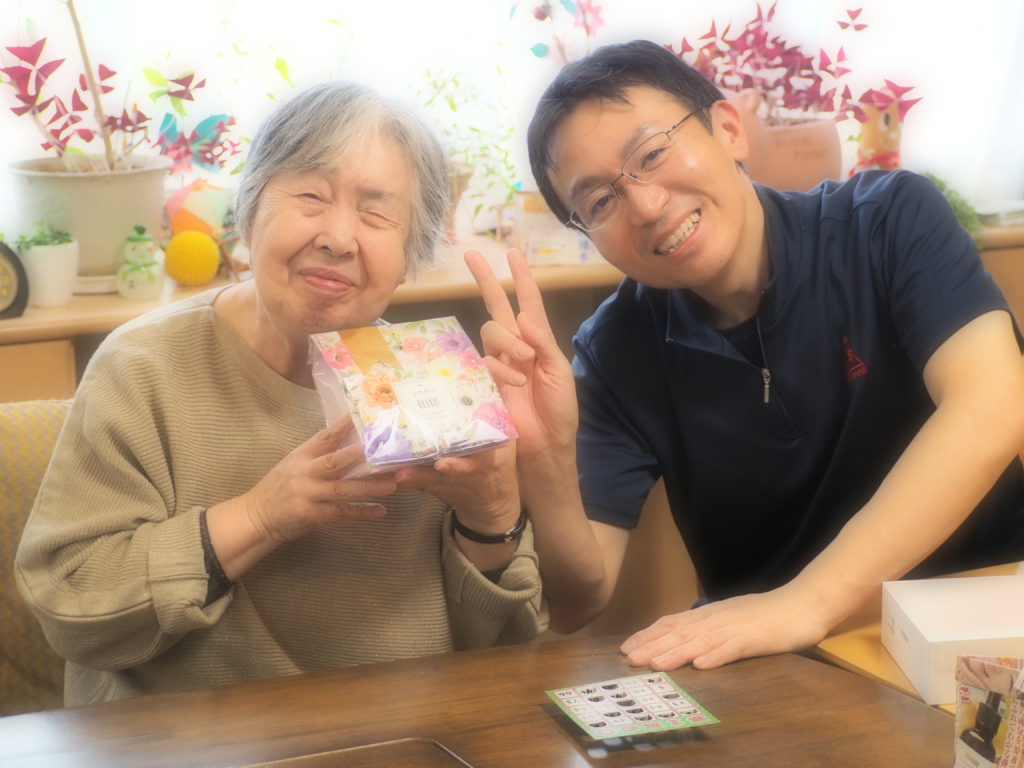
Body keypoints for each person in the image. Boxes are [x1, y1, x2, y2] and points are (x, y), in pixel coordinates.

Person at [467, 39, 1024, 673]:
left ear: (729, 129)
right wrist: (545, 458)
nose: (646, 206)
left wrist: (806, 602)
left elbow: (995, 404)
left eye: (652, 154)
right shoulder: (615, 348)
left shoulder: (887, 221)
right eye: (599, 202)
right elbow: (578, 602)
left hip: (983, 633)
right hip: (783, 666)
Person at [14, 82, 543, 706]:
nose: (339, 237)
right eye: (312, 196)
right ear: (250, 209)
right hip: (190, 740)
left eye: (376, 214)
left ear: (411, 254)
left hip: (396, 733)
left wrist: (491, 517)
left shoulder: (434, 381)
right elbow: (70, 605)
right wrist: (261, 517)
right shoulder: (142, 367)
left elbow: (507, 650)